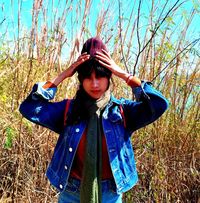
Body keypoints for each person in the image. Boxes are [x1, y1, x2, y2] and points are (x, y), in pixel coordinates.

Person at [19, 37, 169, 203]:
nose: (95, 83)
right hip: (71, 192)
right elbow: (29, 108)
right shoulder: (68, 110)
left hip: (110, 194)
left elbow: (159, 104)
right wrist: (63, 75)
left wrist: (124, 75)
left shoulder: (122, 111)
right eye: (88, 77)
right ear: (80, 79)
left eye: (100, 76)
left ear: (109, 76)